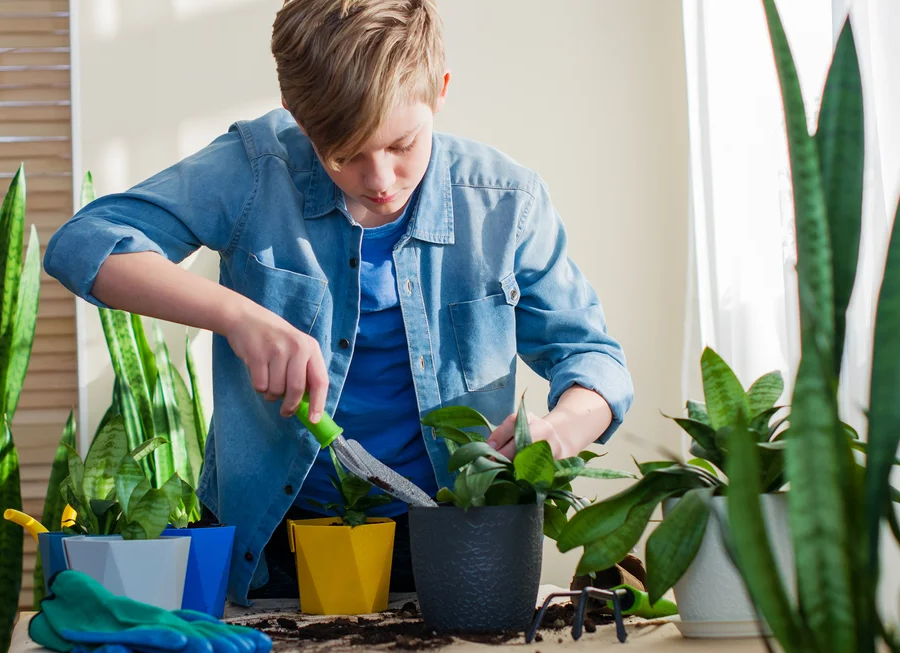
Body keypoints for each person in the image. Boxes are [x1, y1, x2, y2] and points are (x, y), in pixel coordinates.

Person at [43, 0, 634, 606]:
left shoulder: (506, 203)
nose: (379, 179)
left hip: (453, 539)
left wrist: (560, 429)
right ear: (301, 121)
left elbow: (595, 362)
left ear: (441, 91)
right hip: (275, 552)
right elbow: (83, 244)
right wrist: (237, 315)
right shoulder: (255, 169)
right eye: (345, 153)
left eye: (403, 144)